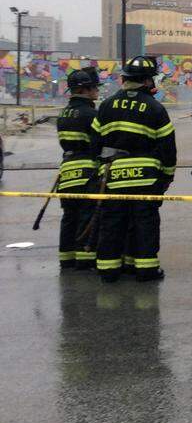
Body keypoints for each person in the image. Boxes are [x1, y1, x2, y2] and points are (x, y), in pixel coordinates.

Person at [92, 56, 177, 283]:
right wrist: (167, 175)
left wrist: (101, 169)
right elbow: (167, 146)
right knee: (144, 223)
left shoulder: (107, 106)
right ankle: (145, 269)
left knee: (112, 223)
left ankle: (109, 270)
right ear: (147, 81)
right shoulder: (155, 108)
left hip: (114, 176)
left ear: (125, 79)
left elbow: (93, 142)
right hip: (146, 178)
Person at [56, 66, 102, 271]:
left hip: (66, 172)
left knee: (69, 217)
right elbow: (97, 144)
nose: (96, 91)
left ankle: (66, 258)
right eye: (93, 88)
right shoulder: (91, 114)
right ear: (84, 90)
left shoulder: (64, 114)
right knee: (86, 215)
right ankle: (85, 259)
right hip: (86, 172)